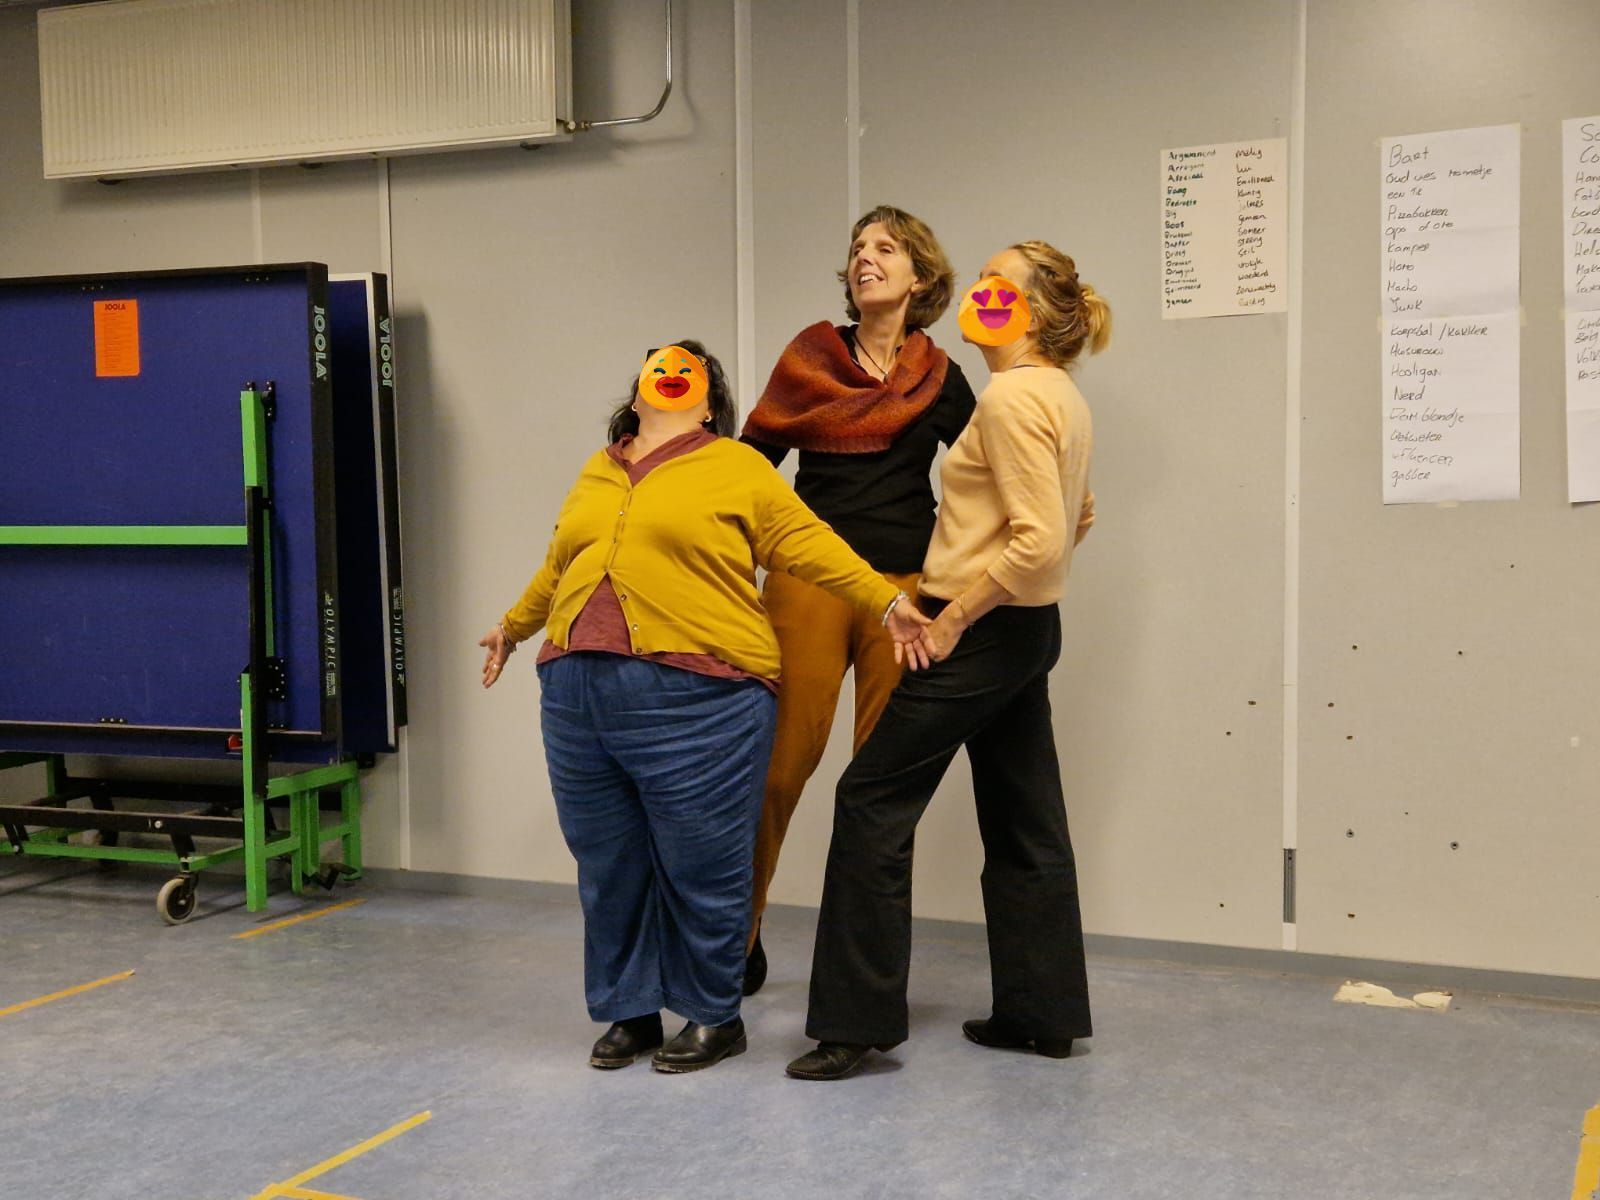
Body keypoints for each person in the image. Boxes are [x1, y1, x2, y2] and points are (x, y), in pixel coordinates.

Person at [479, 340, 928, 1075]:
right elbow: (559, 563)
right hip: (576, 694)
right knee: (608, 864)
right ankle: (630, 1011)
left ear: (709, 401)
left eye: (687, 365)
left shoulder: (737, 467)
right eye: (657, 362)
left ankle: (714, 1015)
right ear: (638, 388)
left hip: (701, 697)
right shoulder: (599, 468)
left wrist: (884, 602)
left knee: (704, 866)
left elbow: (806, 541)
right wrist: (514, 626)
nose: (670, 368)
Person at [785, 241, 1110, 1081]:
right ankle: (1041, 1015)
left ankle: (852, 1026)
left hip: (979, 629)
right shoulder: (1059, 395)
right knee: (1025, 819)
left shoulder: (1008, 401)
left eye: (1002, 286)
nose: (983, 293)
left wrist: (954, 616)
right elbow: (1075, 518)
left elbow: (1040, 544)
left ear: (1031, 313)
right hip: (1029, 632)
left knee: (868, 803)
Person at [739, 205, 975, 993]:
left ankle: (861, 975)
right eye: (857, 249)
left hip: (905, 596)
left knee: (879, 789)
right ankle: (736, 939)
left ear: (920, 277)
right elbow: (748, 472)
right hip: (808, 582)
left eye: (886, 248)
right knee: (777, 772)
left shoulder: (941, 376)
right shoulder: (809, 358)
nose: (865, 258)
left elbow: (985, 475)